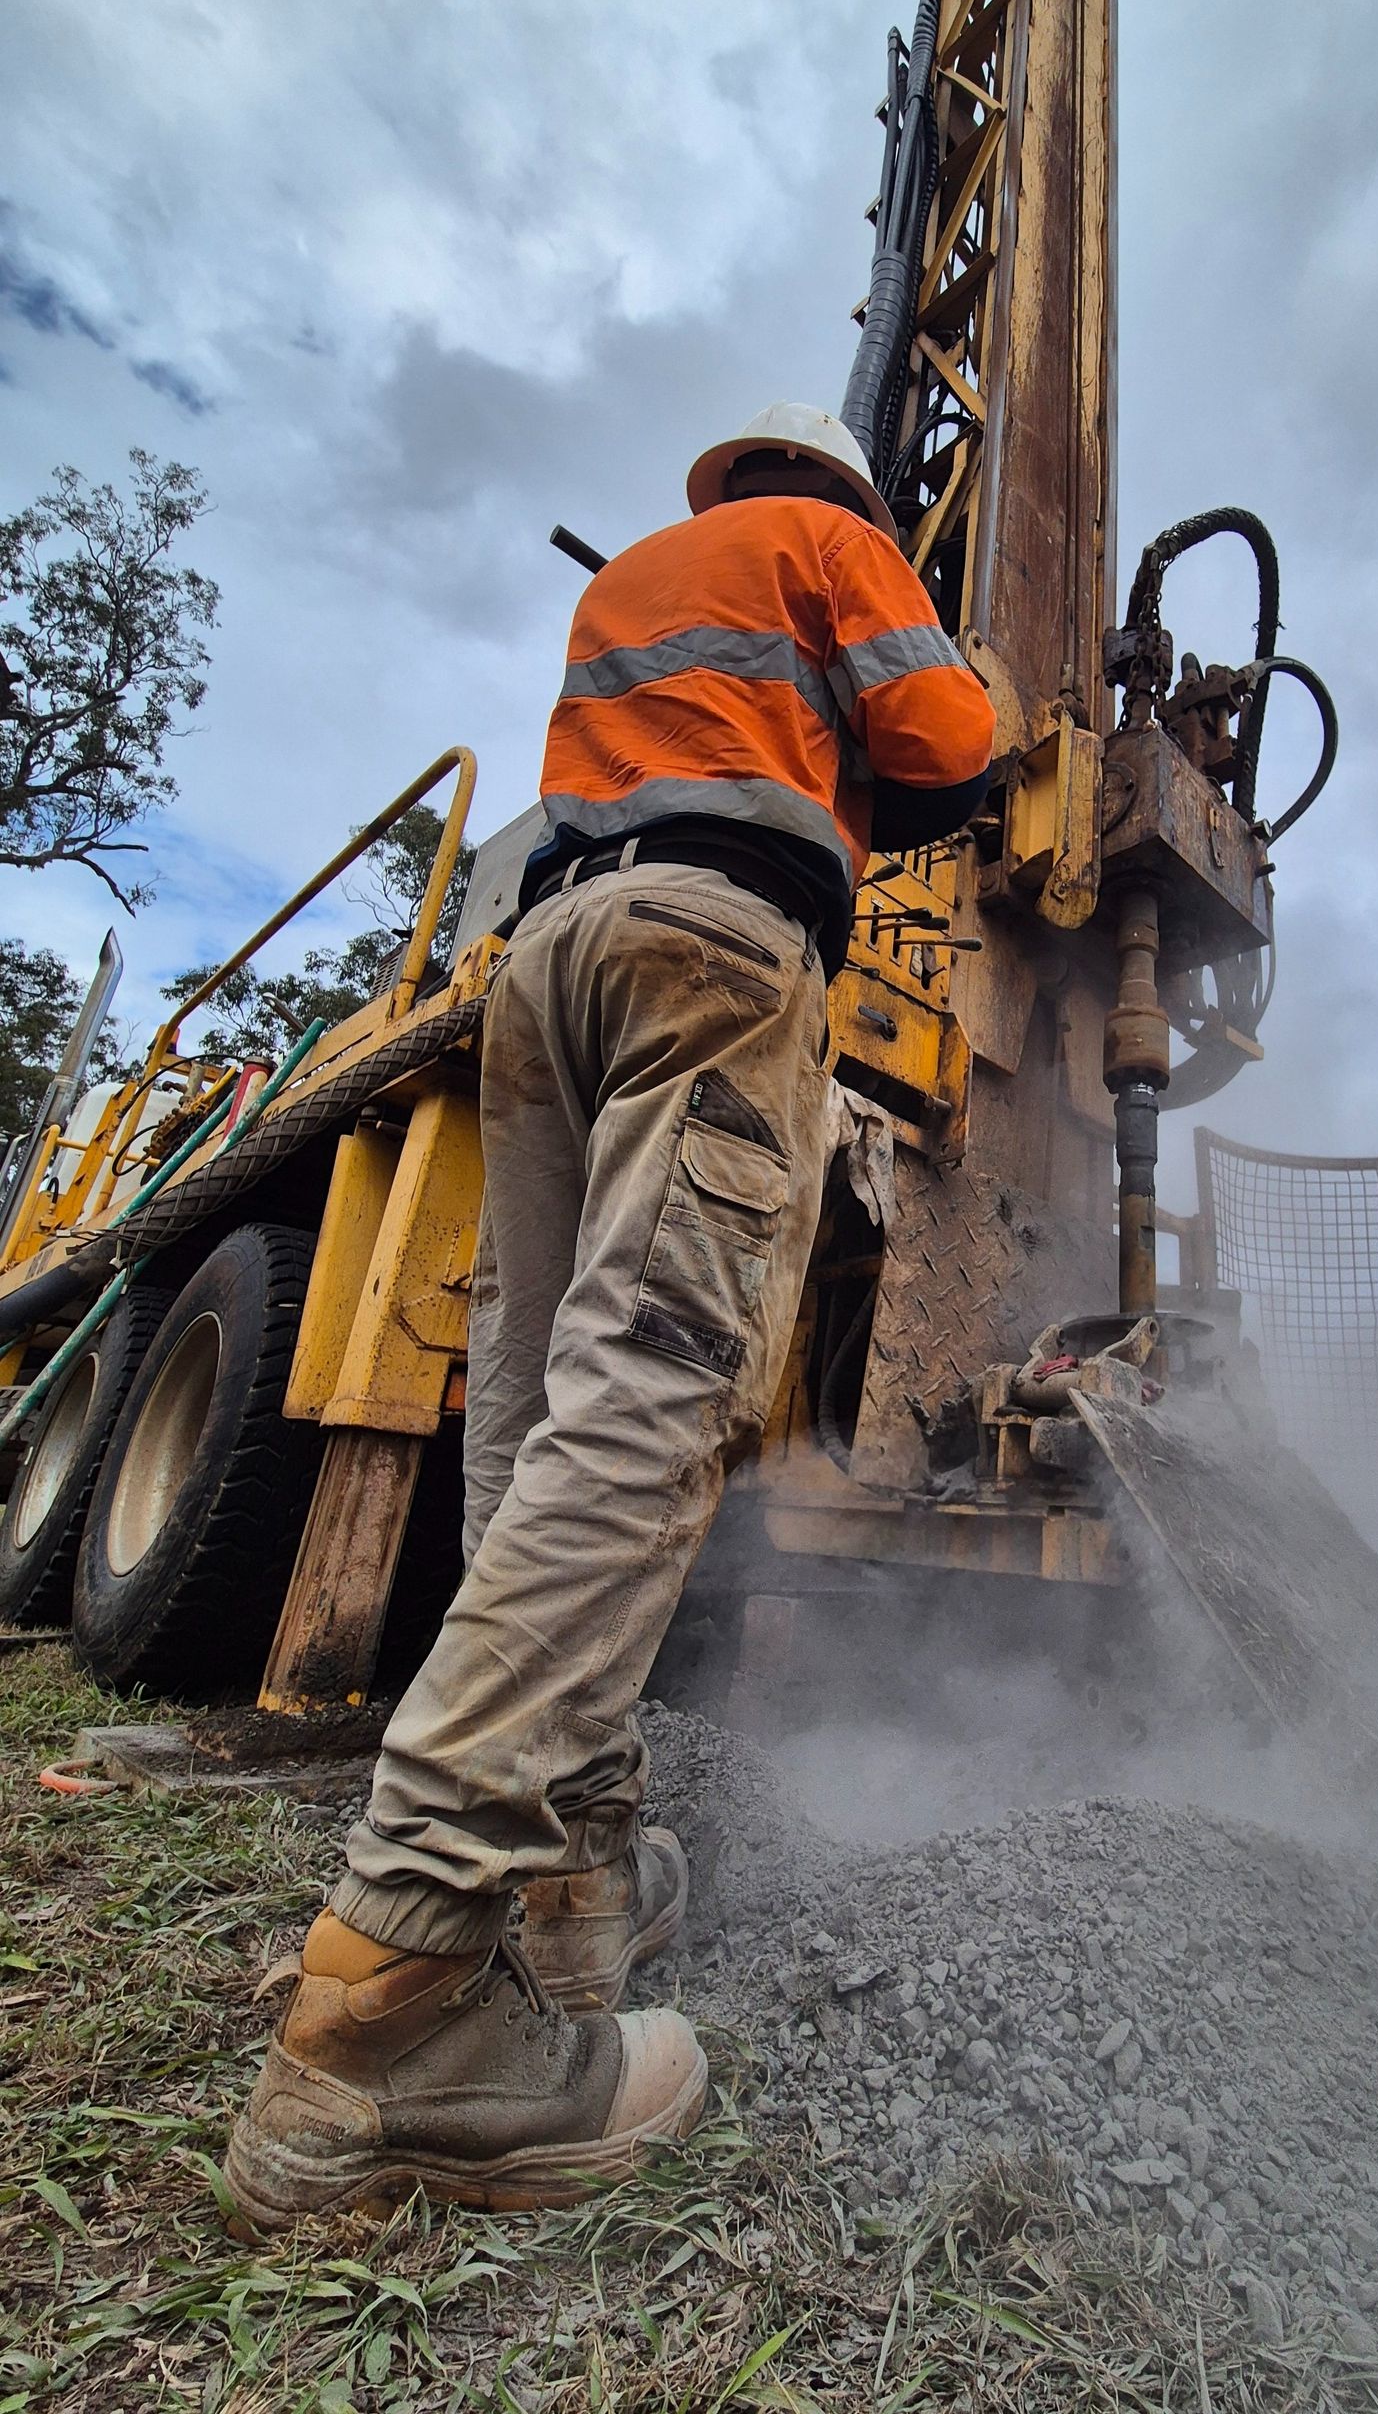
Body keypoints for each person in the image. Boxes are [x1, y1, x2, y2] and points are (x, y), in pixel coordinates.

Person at [222, 404, 997, 2234]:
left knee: (538, 1423)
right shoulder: (834, 550)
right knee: (644, 1416)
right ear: (848, 498)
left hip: (550, 972)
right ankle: (393, 1993)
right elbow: (948, 740)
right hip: (716, 964)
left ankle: (570, 1907)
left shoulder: (643, 581)